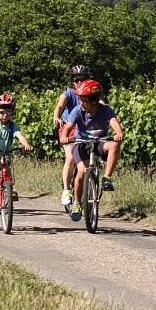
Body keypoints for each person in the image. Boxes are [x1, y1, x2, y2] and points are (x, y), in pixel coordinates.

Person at [59, 80, 123, 222]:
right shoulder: (78, 111)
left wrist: (118, 133)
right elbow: (68, 127)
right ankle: (76, 203)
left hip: (100, 142)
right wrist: (64, 137)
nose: (82, 103)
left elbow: (114, 122)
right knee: (81, 171)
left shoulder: (105, 110)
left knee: (114, 145)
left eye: (85, 101)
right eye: (81, 100)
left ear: (94, 101)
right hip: (82, 144)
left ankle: (107, 178)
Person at [53, 65, 91, 206]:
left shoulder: (91, 94)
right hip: (69, 128)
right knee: (70, 157)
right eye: (76, 80)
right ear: (72, 81)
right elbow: (59, 106)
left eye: (83, 79)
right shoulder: (69, 94)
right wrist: (56, 116)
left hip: (85, 128)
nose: (79, 82)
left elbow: (101, 105)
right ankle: (66, 190)